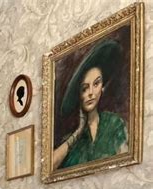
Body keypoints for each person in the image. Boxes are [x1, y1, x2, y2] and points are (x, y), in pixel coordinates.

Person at [53, 38, 128, 170]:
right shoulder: (71, 139)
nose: (91, 93)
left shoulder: (114, 124)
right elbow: (49, 166)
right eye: (84, 88)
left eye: (96, 84)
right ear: (79, 95)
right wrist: (78, 132)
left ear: (102, 88)